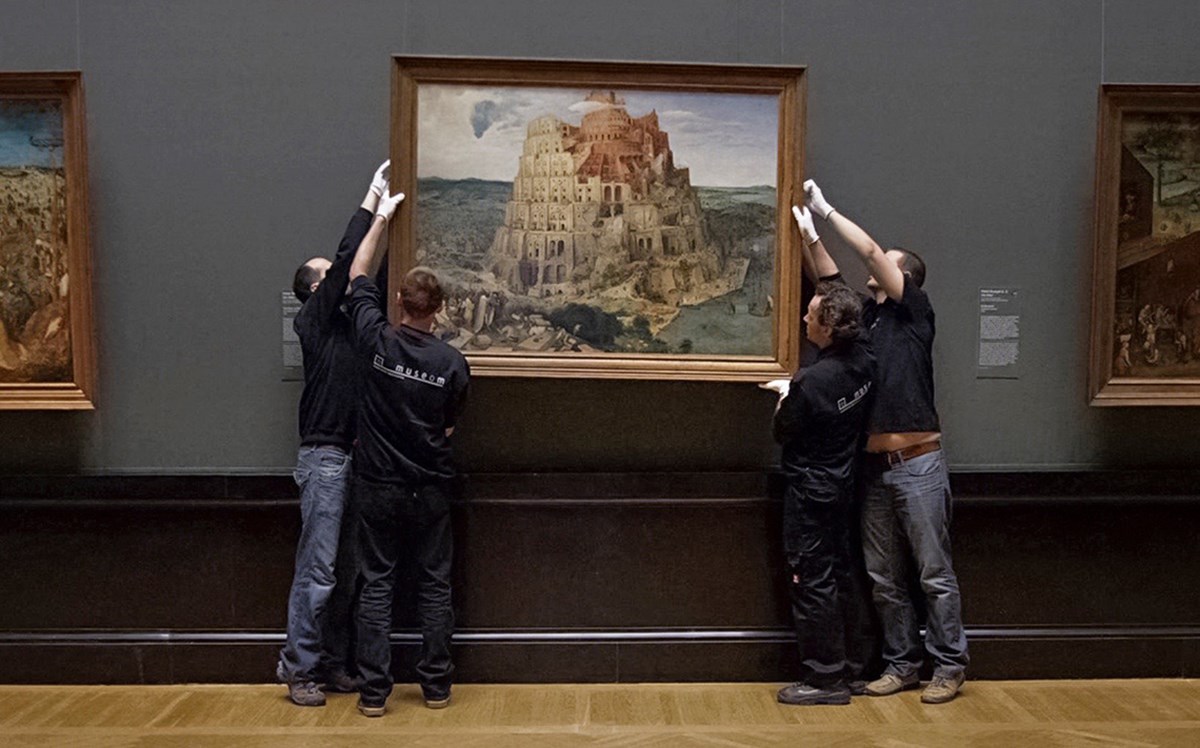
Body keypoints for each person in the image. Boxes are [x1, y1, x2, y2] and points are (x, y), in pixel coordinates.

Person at [800, 179, 969, 704]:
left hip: (919, 465)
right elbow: (830, 283)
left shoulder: (916, 313)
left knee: (933, 573)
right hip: (875, 469)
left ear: (903, 277)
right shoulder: (868, 319)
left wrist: (827, 211)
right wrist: (809, 236)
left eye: (886, 266)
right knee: (883, 577)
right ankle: (903, 664)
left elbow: (870, 251)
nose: (873, 267)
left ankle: (949, 665)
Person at [343, 189, 470, 718]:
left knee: (377, 585)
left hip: (378, 484)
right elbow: (448, 427)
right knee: (435, 586)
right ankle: (436, 687)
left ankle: (375, 694)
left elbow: (356, 275)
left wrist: (380, 217)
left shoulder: (376, 341)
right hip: (431, 487)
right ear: (439, 309)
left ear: (399, 301)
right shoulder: (452, 363)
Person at [278, 160, 390, 707]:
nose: (340, 274)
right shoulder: (314, 322)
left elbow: (368, 272)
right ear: (317, 288)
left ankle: (331, 664)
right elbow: (350, 261)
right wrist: (370, 205)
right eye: (330, 273)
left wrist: (388, 223)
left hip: (351, 457)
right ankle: (298, 669)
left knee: (344, 572)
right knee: (318, 571)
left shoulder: (348, 322)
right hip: (325, 459)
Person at [765, 228, 875, 706]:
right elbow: (836, 288)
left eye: (810, 315)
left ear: (827, 330)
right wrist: (812, 240)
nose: (805, 318)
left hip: (810, 492)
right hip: (843, 484)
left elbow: (783, 431)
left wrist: (786, 394)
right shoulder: (864, 356)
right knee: (840, 575)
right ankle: (851, 670)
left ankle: (824, 679)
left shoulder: (812, 382)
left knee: (811, 582)